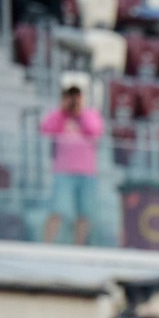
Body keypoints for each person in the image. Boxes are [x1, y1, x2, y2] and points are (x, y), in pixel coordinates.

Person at [39, 84, 104, 245]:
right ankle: (46, 244)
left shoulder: (90, 115)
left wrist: (80, 113)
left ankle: (78, 247)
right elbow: (46, 128)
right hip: (63, 170)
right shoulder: (60, 116)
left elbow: (94, 131)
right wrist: (62, 112)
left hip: (86, 172)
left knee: (84, 213)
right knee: (57, 210)